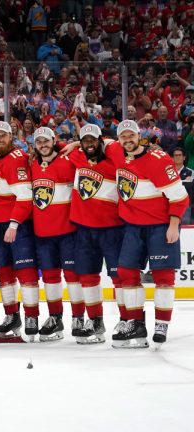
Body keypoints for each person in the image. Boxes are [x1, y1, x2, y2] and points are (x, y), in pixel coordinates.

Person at [105, 120, 189, 348]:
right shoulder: (116, 150)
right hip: (132, 225)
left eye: (131, 135)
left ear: (139, 136)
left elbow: (180, 198)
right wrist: (73, 145)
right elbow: (103, 143)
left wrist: (173, 225)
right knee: (125, 271)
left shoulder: (157, 160)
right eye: (123, 136)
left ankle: (161, 323)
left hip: (160, 225)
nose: (127, 140)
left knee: (163, 276)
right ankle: (136, 322)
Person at [64, 124, 124, 344]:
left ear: (101, 141)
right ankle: (95, 323)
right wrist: (73, 144)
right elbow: (52, 148)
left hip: (112, 229)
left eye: (93, 140)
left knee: (120, 278)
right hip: (84, 230)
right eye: (85, 141)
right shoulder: (78, 158)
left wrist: (103, 141)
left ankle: (127, 320)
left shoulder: (115, 163)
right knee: (88, 277)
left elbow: (117, 146)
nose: (89, 144)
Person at [0, 122, 37, 340]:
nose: (0, 140)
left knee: (25, 272)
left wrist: (14, 224)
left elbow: (26, 197)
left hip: (16, 225)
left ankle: (31, 317)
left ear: (11, 137)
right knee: (4, 271)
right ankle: (11, 315)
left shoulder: (16, 160)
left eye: (3, 136)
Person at [29, 127, 80, 342]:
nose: (43, 144)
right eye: (38, 141)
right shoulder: (31, 165)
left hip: (68, 231)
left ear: (54, 140)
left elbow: (100, 144)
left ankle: (78, 318)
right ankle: (55, 318)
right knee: (50, 278)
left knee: (72, 277)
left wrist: (76, 144)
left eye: (46, 140)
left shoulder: (70, 158)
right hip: (42, 233)